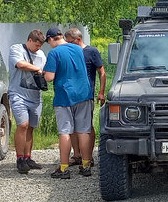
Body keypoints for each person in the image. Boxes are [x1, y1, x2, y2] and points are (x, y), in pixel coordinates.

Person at [43, 27, 94, 179]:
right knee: (83, 130)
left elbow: (49, 77)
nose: (49, 44)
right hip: (83, 93)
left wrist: (44, 73)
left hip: (65, 96)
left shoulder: (54, 53)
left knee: (65, 131)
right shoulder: (78, 49)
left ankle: (64, 168)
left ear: (52, 39)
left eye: (48, 41)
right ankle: (86, 165)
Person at [9, 29, 47, 174]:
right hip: (18, 93)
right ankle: (19, 159)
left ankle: (28, 157)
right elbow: (20, 64)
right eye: (36, 45)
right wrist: (36, 68)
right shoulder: (16, 49)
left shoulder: (41, 55)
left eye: (40, 46)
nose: (38, 49)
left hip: (34, 96)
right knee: (23, 125)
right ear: (30, 40)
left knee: (31, 127)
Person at [71, 31, 107, 170]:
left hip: (86, 94)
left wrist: (101, 92)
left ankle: (89, 156)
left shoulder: (91, 51)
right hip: (70, 95)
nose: (68, 45)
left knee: (86, 126)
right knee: (72, 126)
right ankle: (77, 154)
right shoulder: (69, 52)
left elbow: (102, 72)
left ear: (78, 39)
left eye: (70, 42)